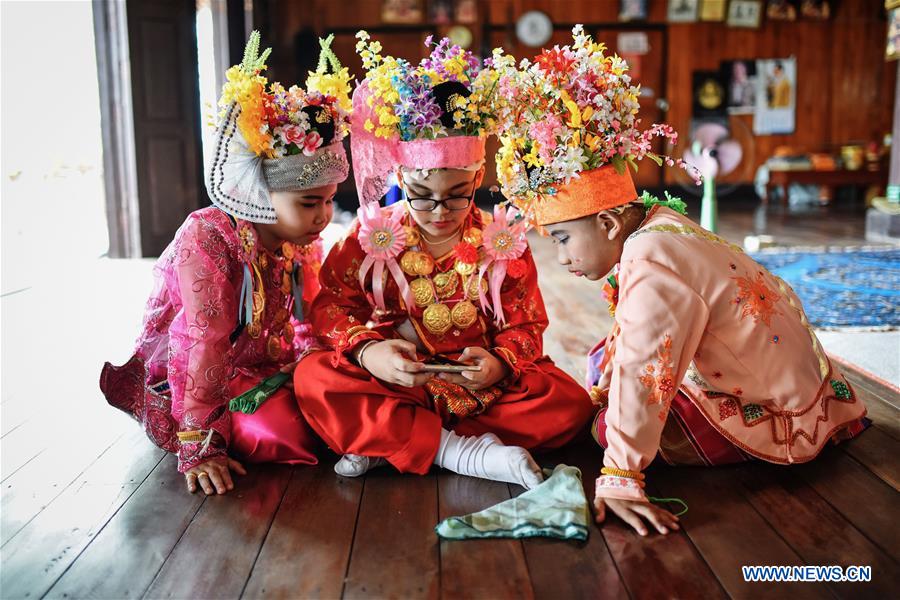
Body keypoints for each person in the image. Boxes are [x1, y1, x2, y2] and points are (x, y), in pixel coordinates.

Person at [494, 25, 869, 535]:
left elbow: (647, 361)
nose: (558, 257)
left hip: (776, 410)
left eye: (560, 238)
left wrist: (621, 472)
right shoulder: (658, 220)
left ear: (606, 223)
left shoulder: (649, 256)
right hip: (796, 380)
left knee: (605, 426)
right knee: (605, 361)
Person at [292, 32, 594, 490]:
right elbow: (331, 306)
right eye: (421, 197)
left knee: (568, 402)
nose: (439, 213)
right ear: (399, 177)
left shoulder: (502, 241)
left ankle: (394, 441)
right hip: (398, 379)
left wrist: (499, 362)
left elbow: (527, 325)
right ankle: (465, 452)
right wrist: (371, 352)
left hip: (483, 389)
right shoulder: (370, 235)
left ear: (478, 177)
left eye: (457, 197)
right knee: (314, 377)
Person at [100, 32, 353, 495]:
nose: (323, 216)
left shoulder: (301, 240)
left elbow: (306, 322)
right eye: (309, 202)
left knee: (351, 388)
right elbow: (205, 342)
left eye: (331, 201)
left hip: (271, 368)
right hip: (201, 380)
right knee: (286, 430)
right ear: (261, 192)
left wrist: (319, 365)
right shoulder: (212, 238)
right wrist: (200, 443)